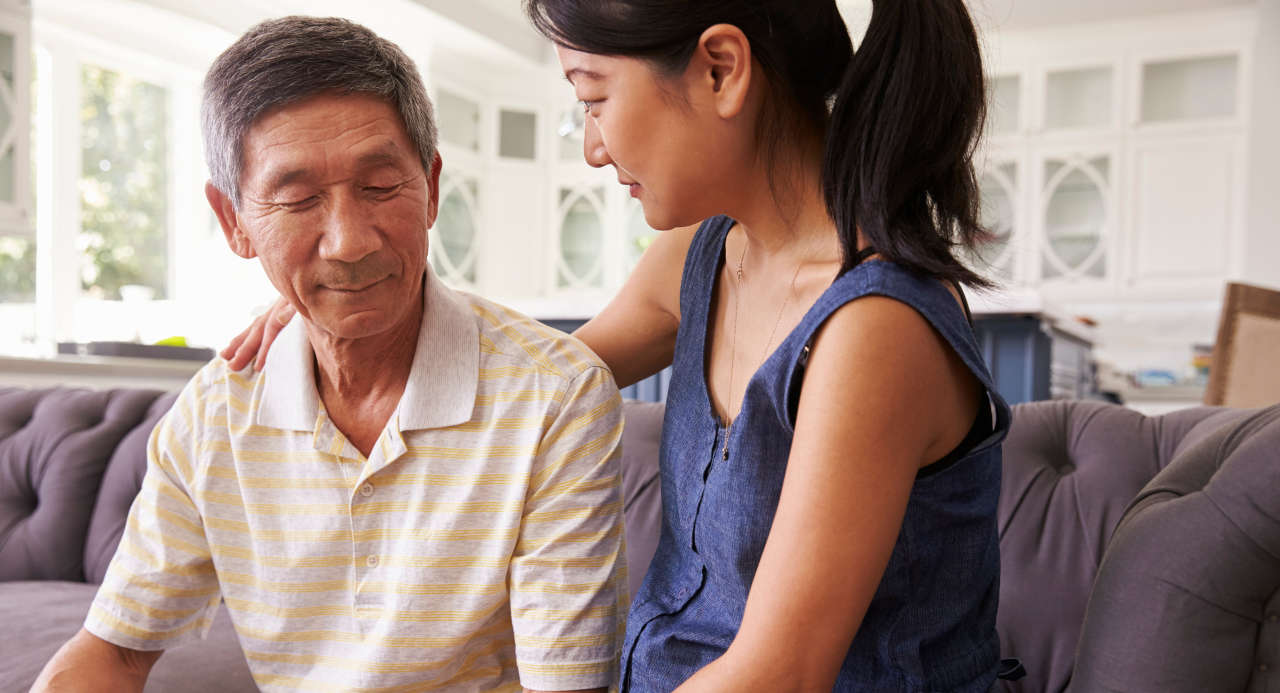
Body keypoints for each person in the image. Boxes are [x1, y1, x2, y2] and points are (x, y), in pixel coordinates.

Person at [226, 1, 1014, 690]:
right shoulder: (704, 255)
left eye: (593, 99)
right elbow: (527, 379)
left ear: (720, 70)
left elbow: (781, 674)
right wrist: (340, 311)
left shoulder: (875, 328)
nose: (592, 149)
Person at [33, 16, 625, 693]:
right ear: (234, 222)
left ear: (431, 187)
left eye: (379, 187)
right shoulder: (214, 415)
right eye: (297, 199)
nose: (348, 241)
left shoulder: (556, 396)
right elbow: (110, 652)